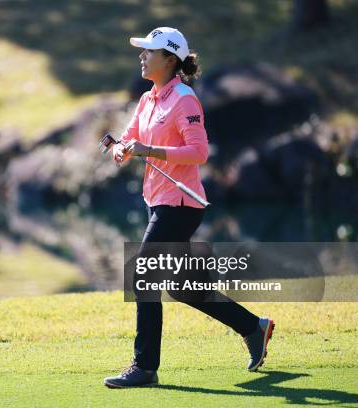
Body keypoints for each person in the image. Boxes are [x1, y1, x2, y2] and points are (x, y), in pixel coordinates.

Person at [103, 27, 274, 389]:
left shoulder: (184, 99)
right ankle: (253, 327)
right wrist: (120, 149)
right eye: (143, 51)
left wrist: (148, 151)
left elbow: (199, 152)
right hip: (158, 202)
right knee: (183, 287)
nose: (142, 56)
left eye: (149, 51)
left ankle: (144, 367)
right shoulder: (148, 98)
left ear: (169, 59)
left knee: (142, 275)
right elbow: (130, 136)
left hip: (180, 203)